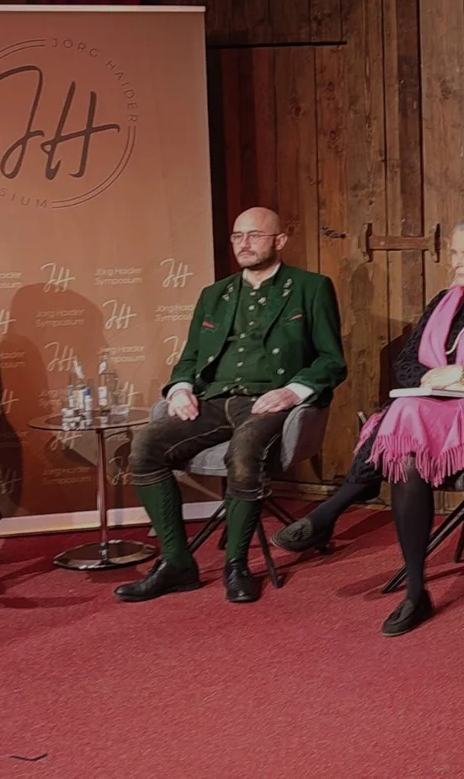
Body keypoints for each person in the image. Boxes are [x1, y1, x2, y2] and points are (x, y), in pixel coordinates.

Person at [275, 214, 464, 636]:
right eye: (453, 252)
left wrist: (463, 375)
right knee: (408, 457)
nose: (454, 262)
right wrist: (429, 381)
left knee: (404, 427)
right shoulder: (442, 302)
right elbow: (406, 362)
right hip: (430, 417)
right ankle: (416, 593)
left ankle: (338, 503)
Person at [114, 207, 346, 605]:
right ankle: (176, 564)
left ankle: (236, 564)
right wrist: (181, 388)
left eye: (255, 235)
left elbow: (331, 360)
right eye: (238, 236)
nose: (244, 244)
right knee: (145, 448)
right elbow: (188, 358)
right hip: (213, 399)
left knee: (244, 451)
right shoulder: (214, 295)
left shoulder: (311, 287)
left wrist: (293, 391)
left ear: (279, 241)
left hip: (268, 400)